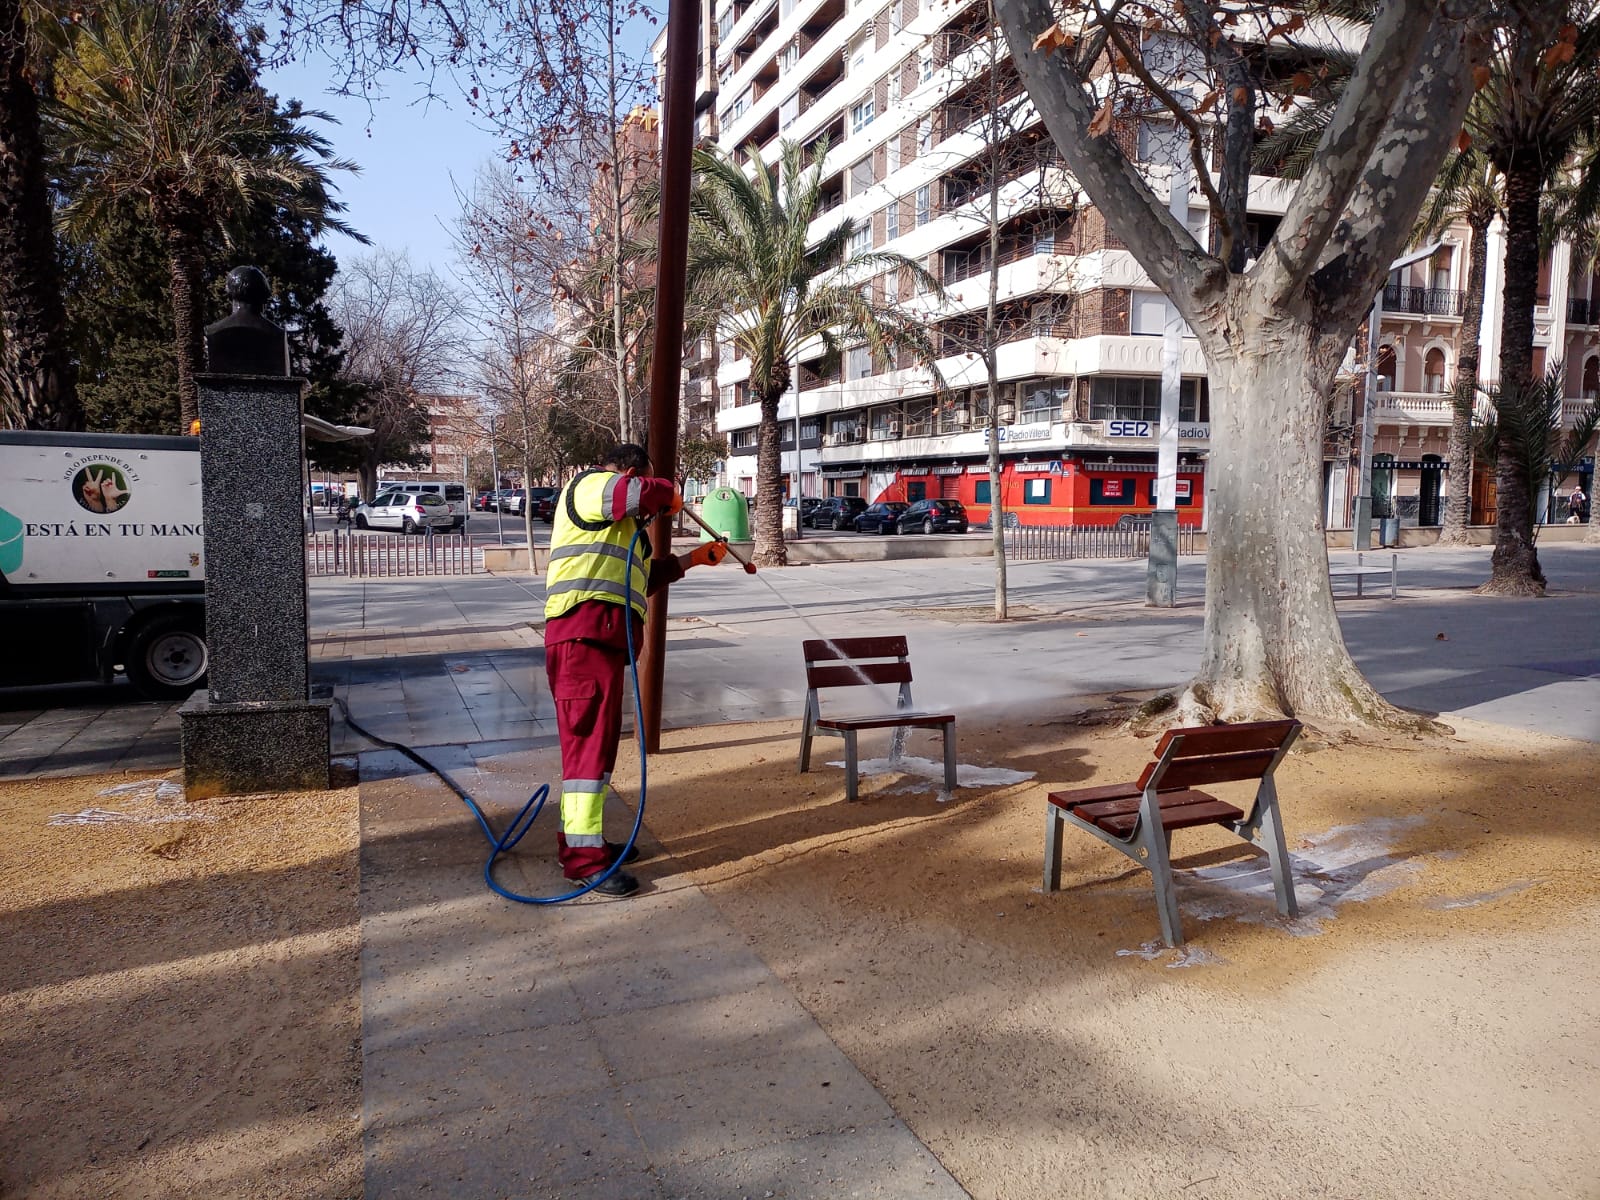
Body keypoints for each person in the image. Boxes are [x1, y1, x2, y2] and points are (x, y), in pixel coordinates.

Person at [544, 443, 730, 895]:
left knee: (596, 751)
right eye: (643, 483)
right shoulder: (590, 487)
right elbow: (643, 494)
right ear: (629, 474)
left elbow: (643, 577)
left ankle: (586, 843)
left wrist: (693, 559)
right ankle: (583, 860)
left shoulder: (624, 529)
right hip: (581, 640)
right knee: (586, 753)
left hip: (601, 644)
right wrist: (669, 492)